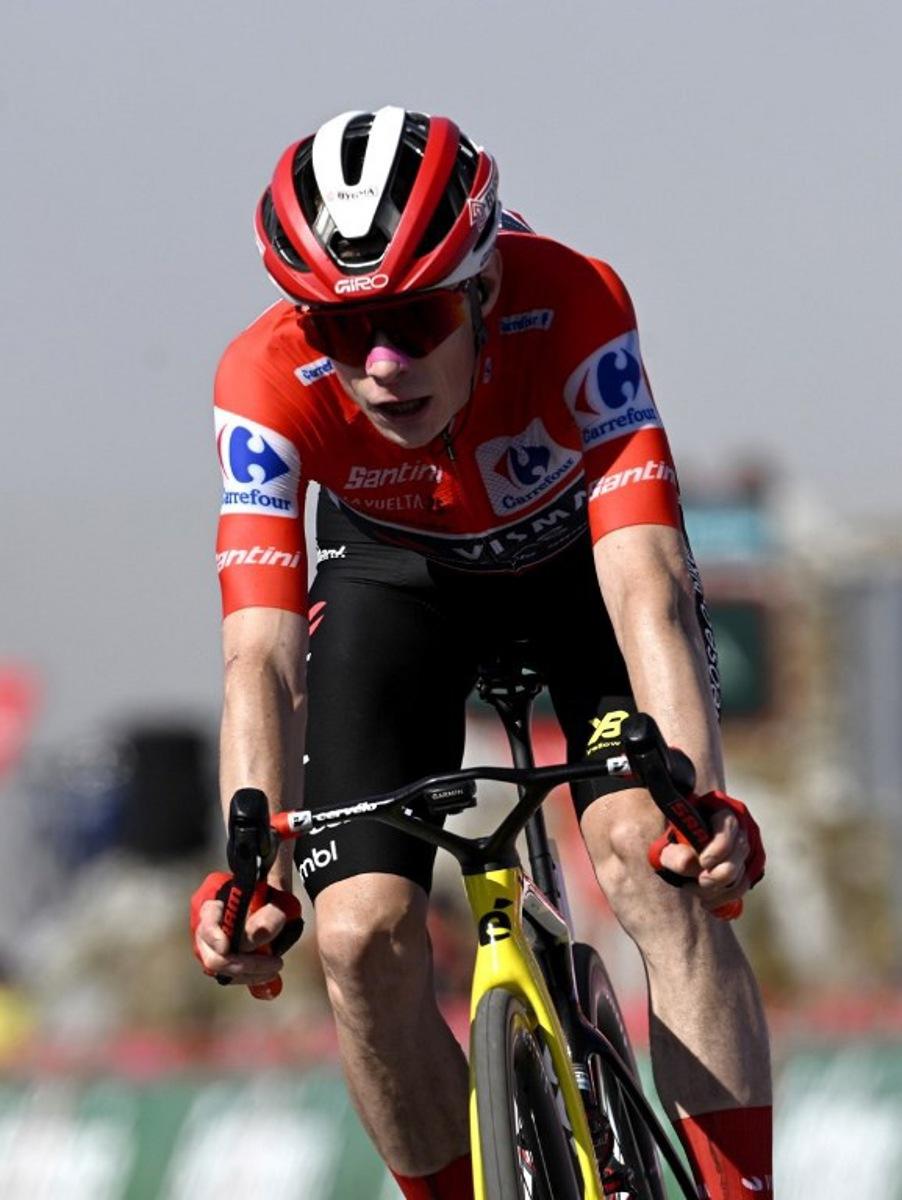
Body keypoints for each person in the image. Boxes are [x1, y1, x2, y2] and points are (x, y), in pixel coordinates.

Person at [192, 106, 772, 1200]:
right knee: (357, 938)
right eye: (334, 329)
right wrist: (248, 866)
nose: (375, 365)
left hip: (575, 570)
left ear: (480, 291)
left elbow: (645, 580)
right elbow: (259, 657)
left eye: (412, 322)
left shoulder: (574, 300)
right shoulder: (260, 380)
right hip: (394, 587)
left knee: (650, 857)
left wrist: (703, 801)